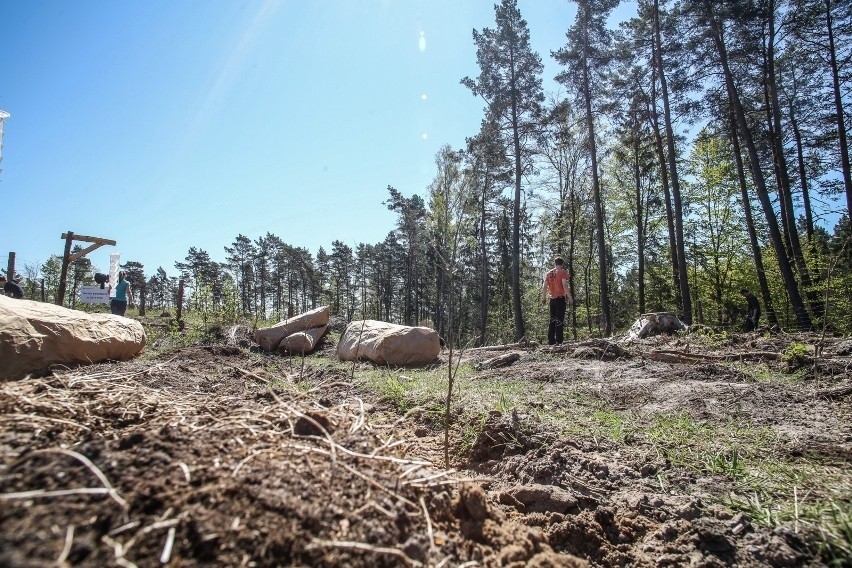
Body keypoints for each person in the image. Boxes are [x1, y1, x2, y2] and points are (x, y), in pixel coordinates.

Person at [541, 257, 572, 345]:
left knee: (552, 320)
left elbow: (544, 287)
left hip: (552, 299)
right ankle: (559, 341)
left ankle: (551, 341)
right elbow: (565, 286)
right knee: (559, 320)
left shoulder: (548, 273)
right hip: (560, 299)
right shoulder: (563, 272)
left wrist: (543, 298)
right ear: (562, 264)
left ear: (555, 263)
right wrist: (570, 298)